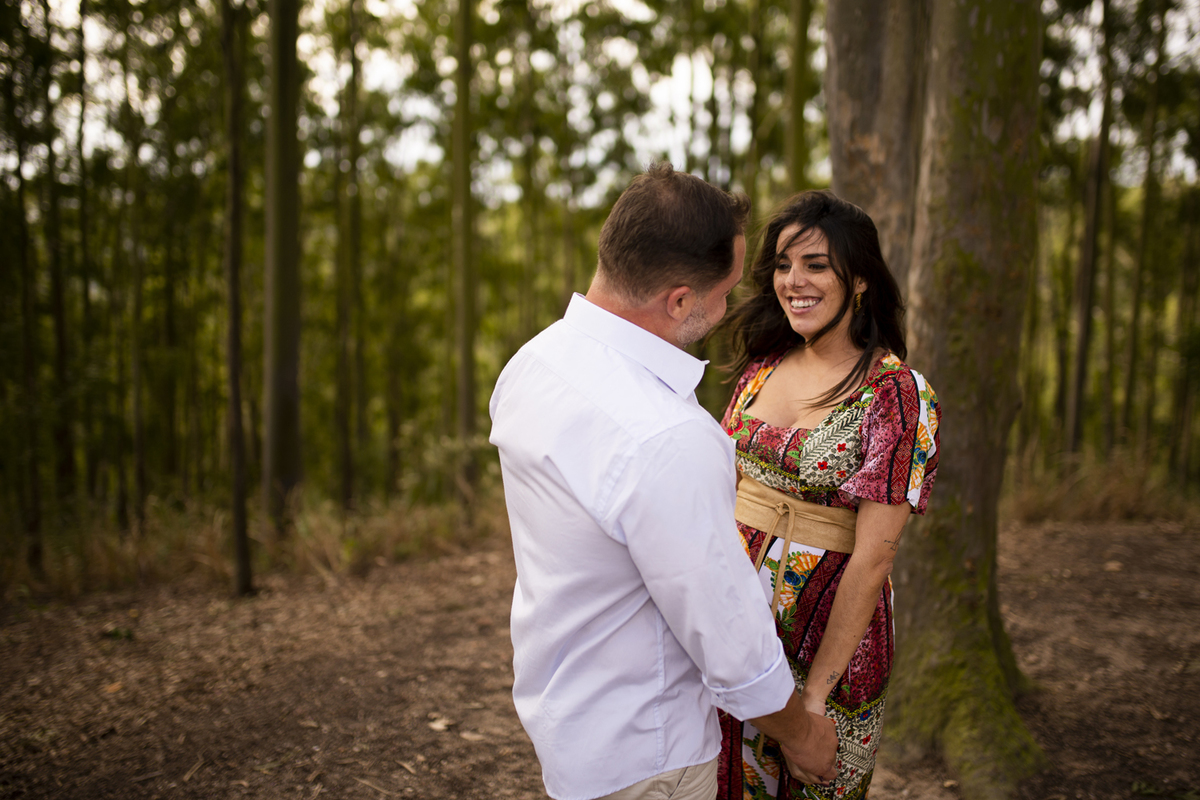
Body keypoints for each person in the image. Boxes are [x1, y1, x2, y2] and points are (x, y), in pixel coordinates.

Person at [489, 164, 838, 800]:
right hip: (648, 755)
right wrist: (799, 732)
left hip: (568, 723)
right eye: (724, 290)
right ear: (679, 300)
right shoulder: (667, 435)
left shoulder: (531, 365)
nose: (729, 305)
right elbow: (726, 637)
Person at [714, 190, 941, 800]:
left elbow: (874, 558)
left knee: (812, 783)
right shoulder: (761, 364)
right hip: (731, 625)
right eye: (785, 265)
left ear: (859, 278)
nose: (795, 281)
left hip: (827, 637)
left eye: (816, 265)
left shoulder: (896, 391)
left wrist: (813, 697)